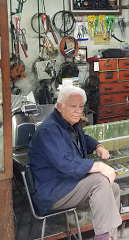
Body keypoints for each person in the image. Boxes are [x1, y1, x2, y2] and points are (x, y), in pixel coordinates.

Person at [28, 86, 121, 240]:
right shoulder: (48, 130)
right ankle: (103, 238)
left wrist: (98, 146)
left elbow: (83, 138)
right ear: (59, 107)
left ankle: (109, 237)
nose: (78, 110)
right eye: (73, 106)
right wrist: (98, 166)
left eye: (81, 106)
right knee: (99, 181)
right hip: (52, 192)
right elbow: (65, 163)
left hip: (67, 184)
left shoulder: (69, 124)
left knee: (114, 188)